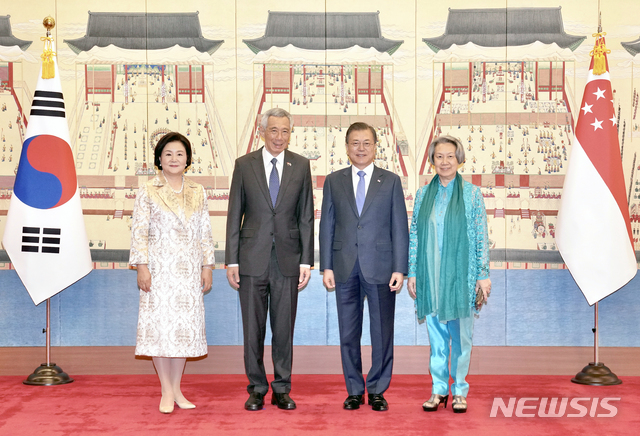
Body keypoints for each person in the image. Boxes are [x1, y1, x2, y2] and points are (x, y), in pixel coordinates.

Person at [225, 108, 314, 411]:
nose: (279, 137)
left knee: (283, 328)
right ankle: (256, 387)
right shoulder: (244, 165)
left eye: (285, 131)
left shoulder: (301, 165)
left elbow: (305, 217)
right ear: (261, 130)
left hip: (288, 261)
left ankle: (282, 388)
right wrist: (232, 260)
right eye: (274, 130)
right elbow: (234, 214)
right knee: (253, 329)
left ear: (291, 133)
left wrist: (306, 261)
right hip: (250, 260)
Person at [319, 122, 408, 412]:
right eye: (355, 143)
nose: (361, 148)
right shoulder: (334, 181)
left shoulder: (391, 181)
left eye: (366, 143)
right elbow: (327, 225)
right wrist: (327, 266)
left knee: (382, 332)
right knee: (348, 333)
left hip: (381, 267)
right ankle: (355, 390)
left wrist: (399, 267)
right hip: (344, 267)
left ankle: (378, 389)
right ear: (347, 147)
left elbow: (399, 226)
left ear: (375, 146)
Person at [129, 132, 215, 414]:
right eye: (168, 154)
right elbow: (139, 231)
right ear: (159, 159)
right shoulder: (148, 190)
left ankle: (176, 388)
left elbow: (205, 231)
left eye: (179, 154)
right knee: (159, 331)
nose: (174, 159)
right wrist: (142, 266)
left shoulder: (197, 191)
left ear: (188, 159)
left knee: (182, 332)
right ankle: (166, 390)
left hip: (189, 272)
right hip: (158, 272)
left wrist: (207, 267)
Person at [407, 135, 491, 413]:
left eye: (450, 156)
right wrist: (413, 273)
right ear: (432, 161)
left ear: (459, 159)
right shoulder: (422, 195)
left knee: (462, 338)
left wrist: (483, 274)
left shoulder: (471, 194)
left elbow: (480, 236)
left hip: (462, 279)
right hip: (431, 277)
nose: (444, 162)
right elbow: (415, 236)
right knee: (436, 339)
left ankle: (460, 391)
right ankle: (439, 390)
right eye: (439, 156)